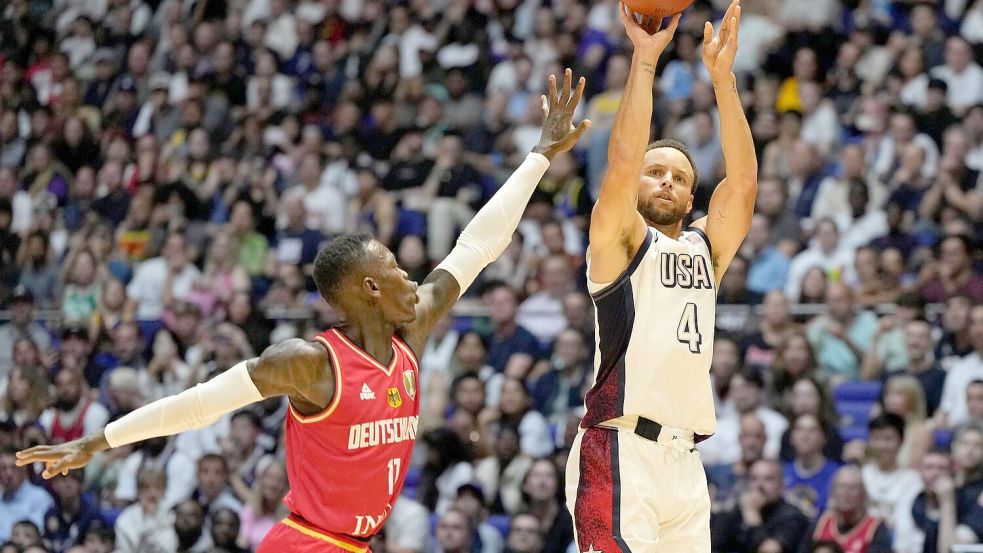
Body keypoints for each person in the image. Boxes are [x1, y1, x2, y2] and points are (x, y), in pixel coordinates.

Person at [16, 71, 592, 552]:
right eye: (395, 266)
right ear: (369, 287)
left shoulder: (410, 330)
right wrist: (97, 443)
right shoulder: (309, 363)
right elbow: (196, 406)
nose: (410, 274)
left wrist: (539, 157)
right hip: (307, 542)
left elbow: (476, 247)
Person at [565, 2, 758, 551]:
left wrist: (723, 81)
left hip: (686, 462)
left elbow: (742, 187)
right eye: (656, 173)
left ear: (691, 197)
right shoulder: (618, 243)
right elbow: (622, 162)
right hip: (620, 451)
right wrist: (645, 59)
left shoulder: (705, 250)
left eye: (679, 177)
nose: (667, 182)